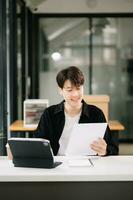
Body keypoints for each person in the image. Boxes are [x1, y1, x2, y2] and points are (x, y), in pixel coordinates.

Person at [35, 66, 118, 156]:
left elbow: (113, 148)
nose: (75, 94)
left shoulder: (96, 113)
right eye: (70, 90)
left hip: (87, 165)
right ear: (60, 90)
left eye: (78, 88)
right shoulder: (49, 114)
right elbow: (37, 144)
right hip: (57, 165)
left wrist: (105, 150)